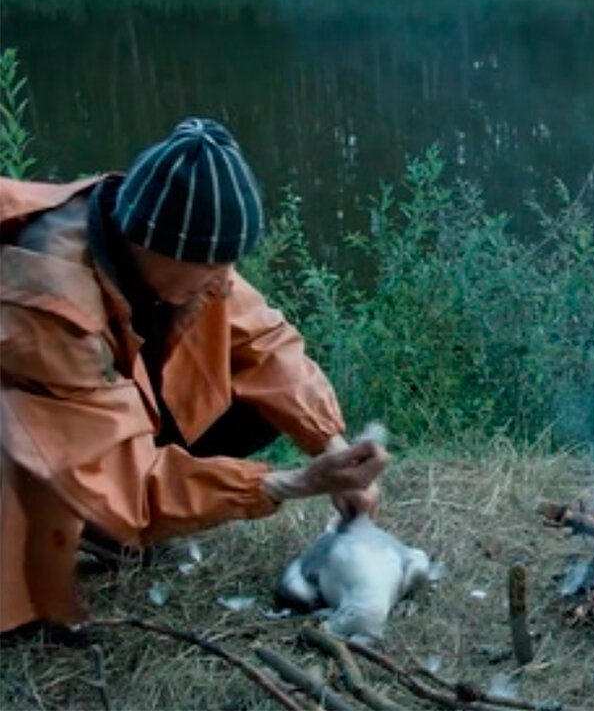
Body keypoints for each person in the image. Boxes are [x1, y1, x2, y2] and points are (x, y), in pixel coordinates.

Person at [0, 117, 388, 636]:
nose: (223, 279)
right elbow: (121, 478)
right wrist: (289, 484)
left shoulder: (173, 252)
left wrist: (330, 446)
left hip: (79, 413)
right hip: (24, 423)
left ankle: (101, 530)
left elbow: (264, 342)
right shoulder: (50, 300)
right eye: (213, 265)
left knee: (253, 401)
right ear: (156, 248)